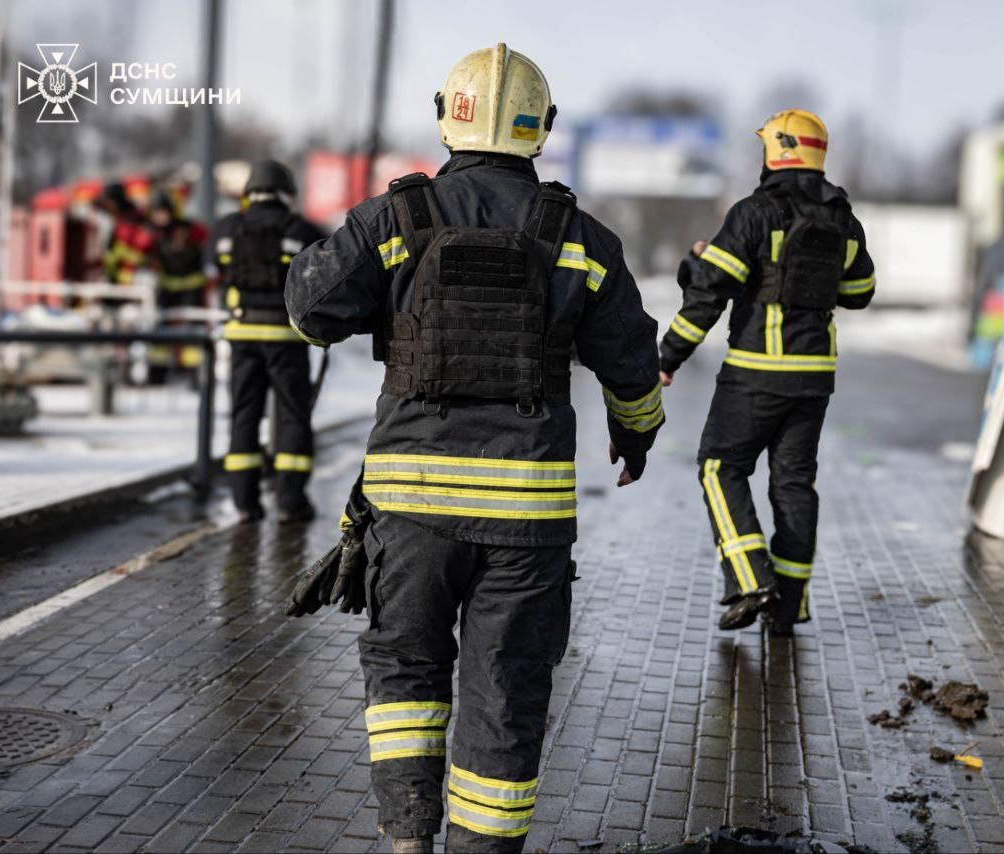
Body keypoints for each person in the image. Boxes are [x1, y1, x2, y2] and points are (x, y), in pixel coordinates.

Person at [285, 43, 663, 854]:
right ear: (544, 129)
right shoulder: (578, 238)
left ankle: (406, 840)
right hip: (525, 525)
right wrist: (636, 434)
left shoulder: (398, 220)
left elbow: (311, 309)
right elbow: (632, 364)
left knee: (406, 679)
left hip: (409, 510)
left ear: (444, 118)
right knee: (506, 694)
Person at [658, 109, 876, 635]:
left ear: (775, 152)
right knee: (795, 485)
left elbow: (710, 293)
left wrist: (667, 358)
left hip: (755, 373)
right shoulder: (843, 219)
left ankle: (751, 578)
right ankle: (790, 605)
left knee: (719, 467)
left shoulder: (754, 213)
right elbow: (860, 293)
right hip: (814, 377)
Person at [208, 160, 325, 522]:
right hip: (286, 337)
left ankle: (245, 502)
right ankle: (291, 502)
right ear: (286, 194)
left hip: (241, 336)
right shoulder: (300, 228)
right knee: (293, 415)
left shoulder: (227, 229)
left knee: (244, 415)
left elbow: (215, 266)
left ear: (248, 194)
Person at [149, 191, 209, 382]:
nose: (159, 217)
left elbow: (208, 240)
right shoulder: (155, 233)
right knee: (162, 332)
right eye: (155, 213)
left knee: (192, 332)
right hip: (166, 291)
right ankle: (158, 373)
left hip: (191, 290)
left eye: (162, 212)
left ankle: (193, 374)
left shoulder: (189, 229)